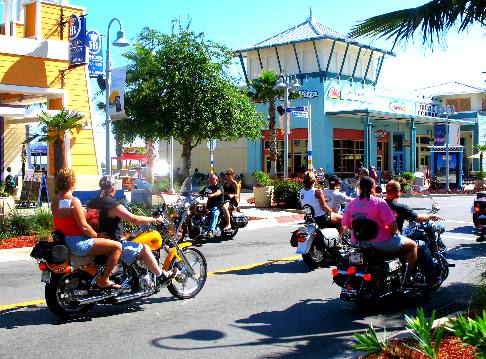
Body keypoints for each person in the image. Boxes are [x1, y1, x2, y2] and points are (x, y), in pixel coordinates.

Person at [87, 176, 178, 282]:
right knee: (144, 249)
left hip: (97, 242)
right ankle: (161, 276)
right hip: (111, 244)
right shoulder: (111, 204)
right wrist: (154, 219)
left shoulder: (92, 202)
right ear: (113, 189)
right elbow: (134, 219)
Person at [52, 168, 122, 289]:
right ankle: (104, 279)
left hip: (64, 240)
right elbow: (84, 226)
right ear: (72, 183)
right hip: (78, 243)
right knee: (117, 247)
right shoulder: (74, 201)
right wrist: (97, 235)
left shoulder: (55, 201)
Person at [341, 176, 418, 280]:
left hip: (357, 242)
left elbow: (347, 225)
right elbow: (393, 226)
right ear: (374, 188)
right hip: (380, 242)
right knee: (412, 245)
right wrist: (396, 233)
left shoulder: (352, 203)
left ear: (359, 188)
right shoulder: (380, 202)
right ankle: (408, 278)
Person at [385, 179, 442, 285]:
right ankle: (430, 277)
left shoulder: (381, 205)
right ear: (399, 192)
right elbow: (418, 218)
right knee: (421, 245)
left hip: (380, 238)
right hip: (392, 240)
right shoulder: (399, 207)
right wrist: (431, 216)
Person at [199, 173, 224, 238]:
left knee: (215, 213)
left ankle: (211, 231)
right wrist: (190, 194)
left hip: (217, 206)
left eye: (212, 179)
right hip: (209, 206)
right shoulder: (207, 187)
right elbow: (199, 193)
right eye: (209, 179)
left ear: (216, 180)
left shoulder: (219, 187)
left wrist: (212, 195)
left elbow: (218, 192)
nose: (210, 180)